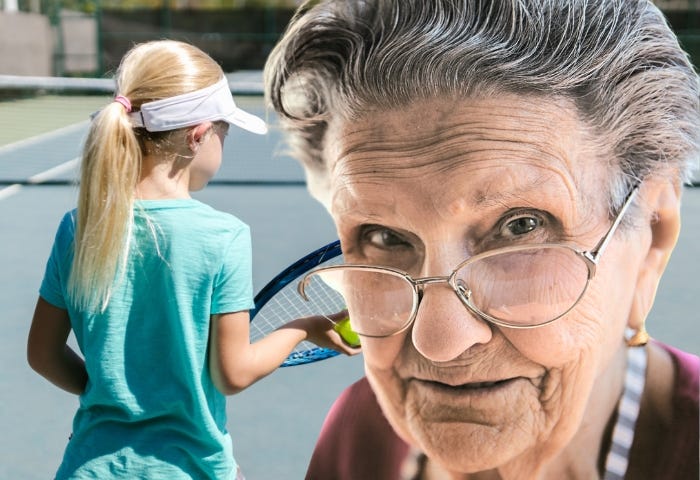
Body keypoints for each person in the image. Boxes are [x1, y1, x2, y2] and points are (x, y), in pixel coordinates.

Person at [263, 0, 700, 478]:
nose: (439, 342)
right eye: (385, 236)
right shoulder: (360, 429)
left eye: (521, 225)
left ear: (652, 239)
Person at [26, 39, 356, 480]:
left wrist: (109, 394)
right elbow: (232, 374)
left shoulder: (77, 227)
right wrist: (304, 327)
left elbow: (42, 355)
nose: (224, 142)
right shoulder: (224, 236)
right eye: (225, 131)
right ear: (197, 135)